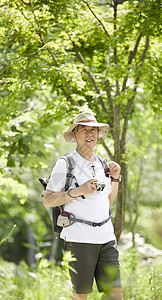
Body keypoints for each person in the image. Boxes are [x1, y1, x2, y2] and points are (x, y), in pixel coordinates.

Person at [43, 111, 123, 300]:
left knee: (115, 294)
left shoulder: (103, 164)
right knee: (81, 296)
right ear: (75, 134)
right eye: (84, 129)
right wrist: (78, 191)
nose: (90, 134)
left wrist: (115, 178)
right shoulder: (65, 164)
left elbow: (108, 202)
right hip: (80, 238)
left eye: (93, 130)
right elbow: (48, 200)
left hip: (106, 238)